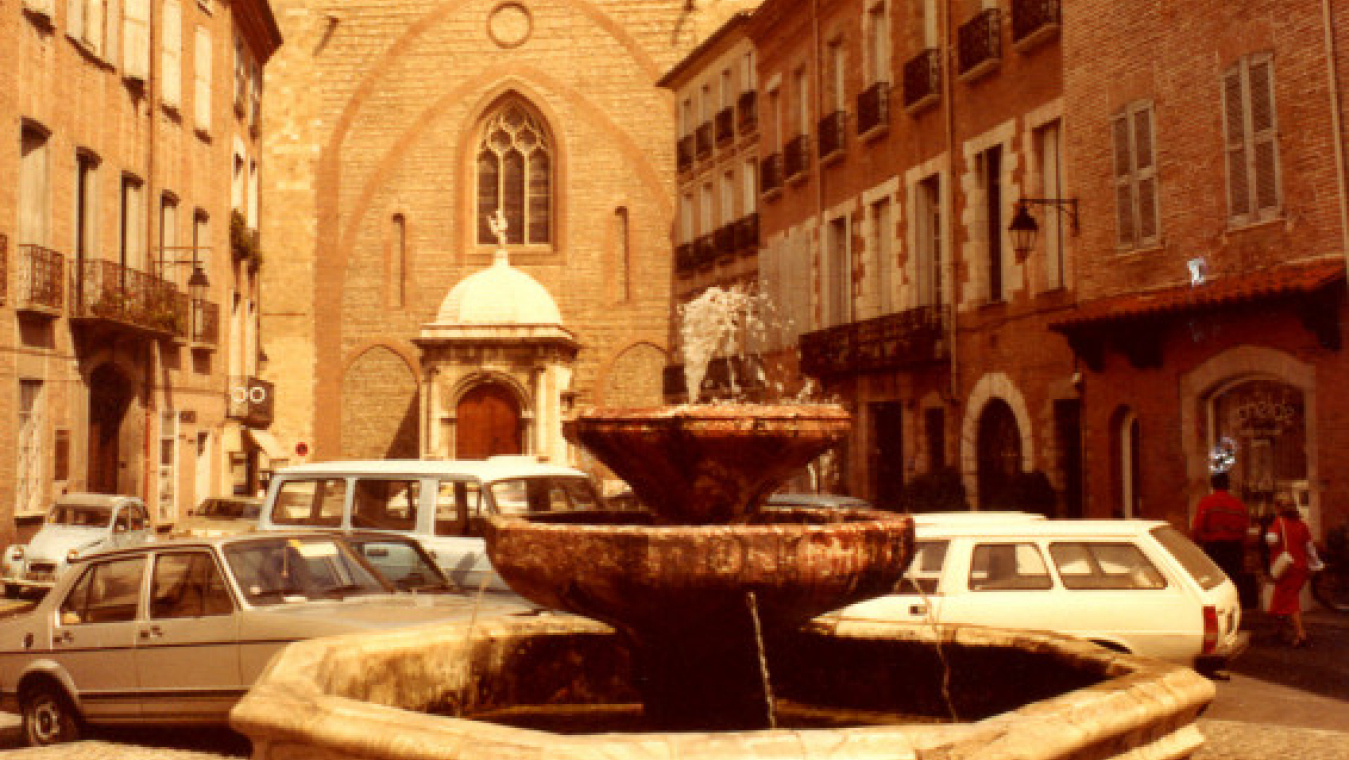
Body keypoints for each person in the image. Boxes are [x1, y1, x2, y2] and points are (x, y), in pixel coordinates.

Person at [1265, 493, 1314, 647]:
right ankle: (1278, 631)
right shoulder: (1302, 524)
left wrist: (1268, 537)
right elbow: (1310, 547)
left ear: (1278, 507)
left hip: (1286, 569)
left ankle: (1301, 634)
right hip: (1301, 568)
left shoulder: (1279, 522)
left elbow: (1272, 539)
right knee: (1281, 599)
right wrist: (1316, 563)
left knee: (1290, 600)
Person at [1192, 471, 1251, 587]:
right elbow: (1244, 530)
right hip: (1235, 550)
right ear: (1228, 485)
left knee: (1216, 583)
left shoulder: (1206, 503)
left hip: (1214, 549)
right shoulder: (1239, 504)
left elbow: (1197, 528)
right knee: (1233, 582)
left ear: (1212, 485)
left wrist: (1197, 545)